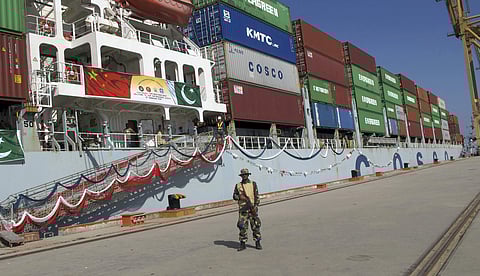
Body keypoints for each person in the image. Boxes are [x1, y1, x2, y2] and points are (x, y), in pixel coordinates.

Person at [233, 168, 262, 251]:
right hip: (243, 209)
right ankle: (242, 243)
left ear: (248, 175)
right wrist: (240, 197)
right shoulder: (238, 185)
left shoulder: (253, 184)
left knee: (255, 225)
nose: (244, 176)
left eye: (246, 174)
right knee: (242, 226)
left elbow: (256, 195)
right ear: (241, 176)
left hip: (252, 208)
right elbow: (234, 196)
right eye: (243, 175)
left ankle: (257, 242)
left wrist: (256, 206)